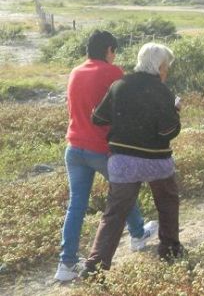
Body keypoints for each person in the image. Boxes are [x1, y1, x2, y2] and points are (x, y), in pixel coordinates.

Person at [54, 31, 157, 283]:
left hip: (74, 147)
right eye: (114, 51)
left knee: (76, 205)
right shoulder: (111, 72)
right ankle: (137, 234)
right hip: (100, 148)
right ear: (109, 49)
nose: (114, 56)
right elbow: (127, 108)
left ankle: (66, 263)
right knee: (125, 189)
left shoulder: (75, 72)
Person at [82, 43, 183, 277]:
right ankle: (169, 250)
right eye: (166, 67)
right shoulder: (162, 91)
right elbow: (168, 132)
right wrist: (175, 111)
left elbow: (98, 118)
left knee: (114, 214)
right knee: (167, 204)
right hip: (155, 161)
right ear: (159, 67)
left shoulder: (119, 85)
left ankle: (94, 266)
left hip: (123, 161)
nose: (166, 71)